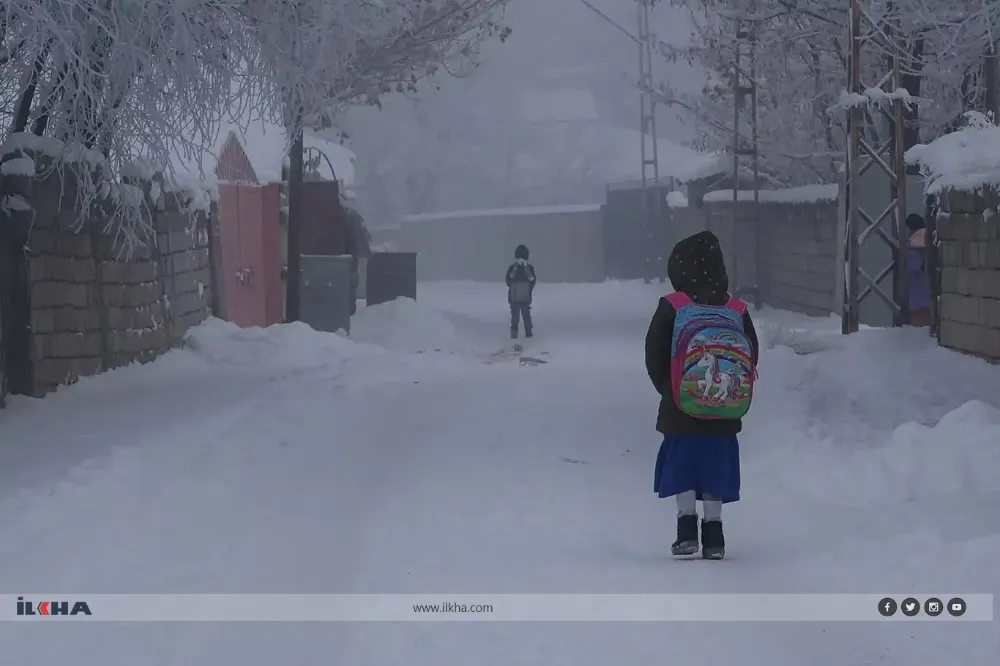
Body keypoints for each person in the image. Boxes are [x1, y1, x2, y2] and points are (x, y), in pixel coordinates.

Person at [644, 230, 759, 560]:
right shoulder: (735, 309)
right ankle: (714, 537)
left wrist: (671, 390)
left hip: (681, 410)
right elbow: (751, 353)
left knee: (683, 468)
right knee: (715, 470)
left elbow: (654, 353)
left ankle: (686, 532)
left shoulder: (674, 306)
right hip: (724, 413)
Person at [905, 213, 932, 327]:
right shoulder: (930, 240)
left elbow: (913, 268)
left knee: (918, 329)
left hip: (917, 300)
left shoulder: (914, 246)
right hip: (931, 298)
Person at [506, 244, 536, 339]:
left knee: (525, 317)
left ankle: (528, 334)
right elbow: (508, 281)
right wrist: (516, 267)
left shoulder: (529, 268)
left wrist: (526, 267)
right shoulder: (512, 268)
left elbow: (532, 280)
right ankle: (515, 335)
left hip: (522, 297)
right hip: (516, 297)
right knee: (515, 318)